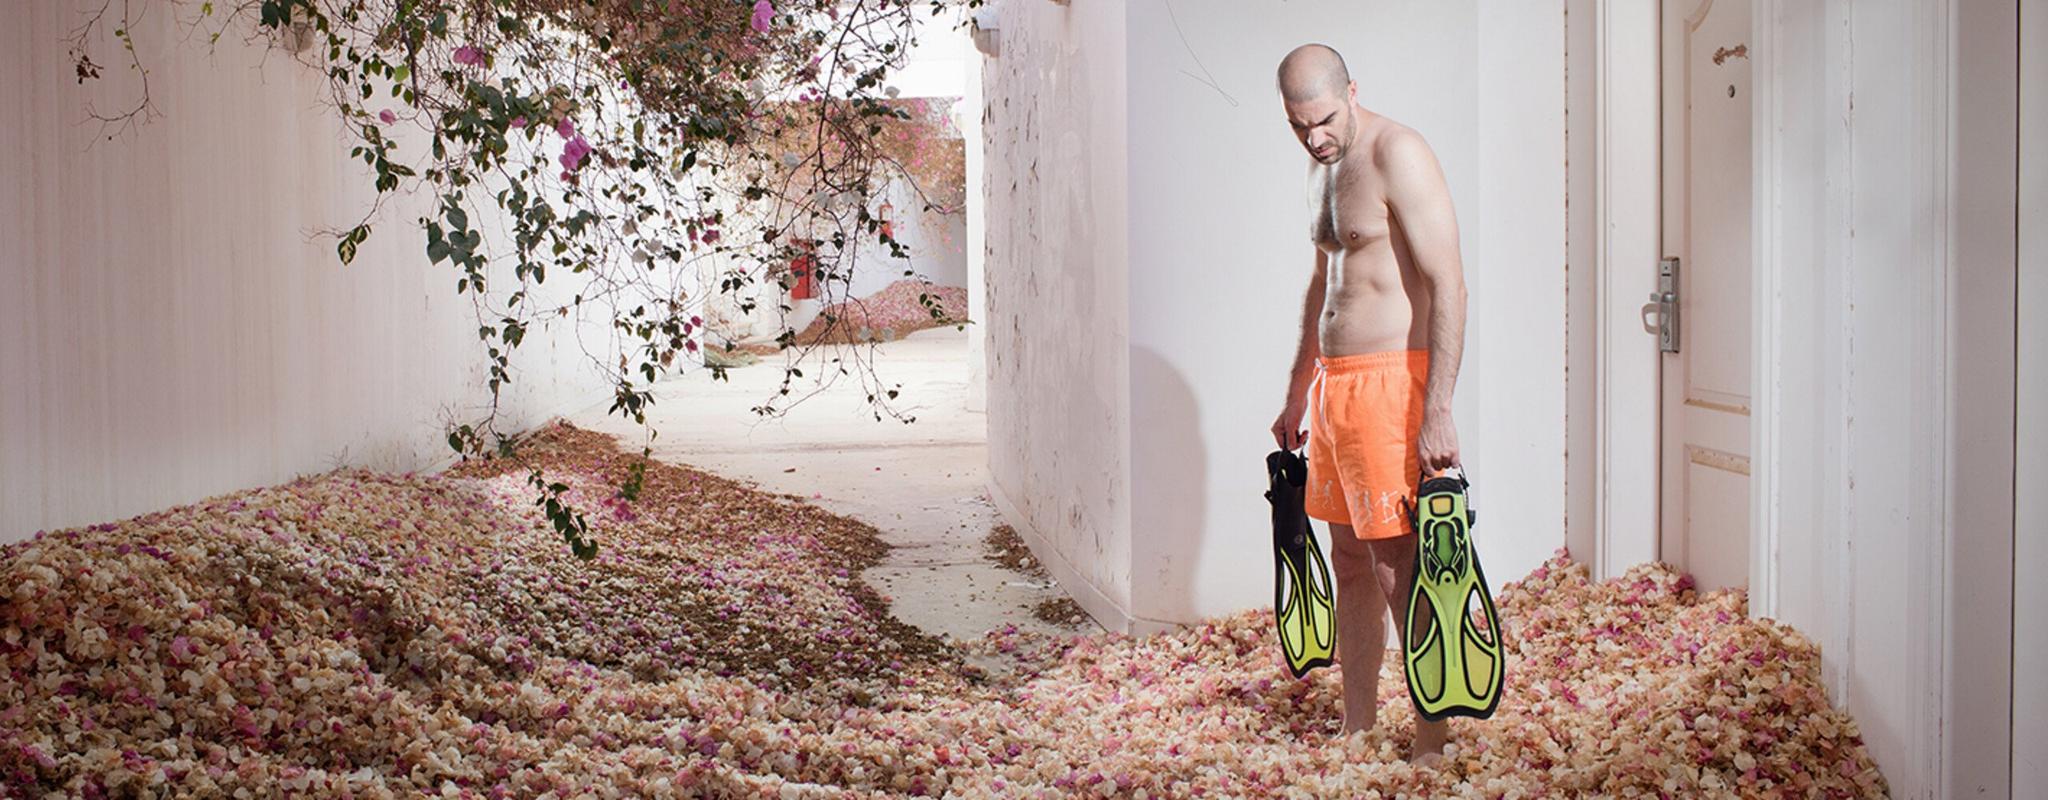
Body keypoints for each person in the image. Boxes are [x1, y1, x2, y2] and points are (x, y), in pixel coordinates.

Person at [1269, 42, 1468, 765]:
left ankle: (1432, 738)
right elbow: (1325, 284)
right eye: (1298, 126)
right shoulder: (1322, 169)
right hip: (1336, 388)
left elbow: (1449, 281)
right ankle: (1357, 726)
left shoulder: (1398, 152)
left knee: (1398, 563)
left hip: (1394, 382)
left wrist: (1438, 405)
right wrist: (1299, 387)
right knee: (1348, 557)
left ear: (1353, 91)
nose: (1314, 137)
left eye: (1322, 120)